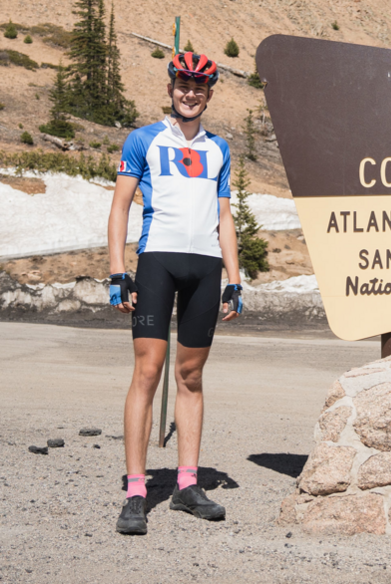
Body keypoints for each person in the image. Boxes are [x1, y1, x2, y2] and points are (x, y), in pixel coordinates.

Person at [107, 52, 244, 535]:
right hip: (157, 262)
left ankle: (187, 485)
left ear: (209, 95)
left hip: (206, 268)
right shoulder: (144, 139)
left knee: (191, 375)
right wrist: (118, 271)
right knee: (147, 371)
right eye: (183, 85)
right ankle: (137, 490)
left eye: (200, 87)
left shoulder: (219, 149)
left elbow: (224, 217)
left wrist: (235, 277)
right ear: (171, 89)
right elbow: (121, 206)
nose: (191, 93)